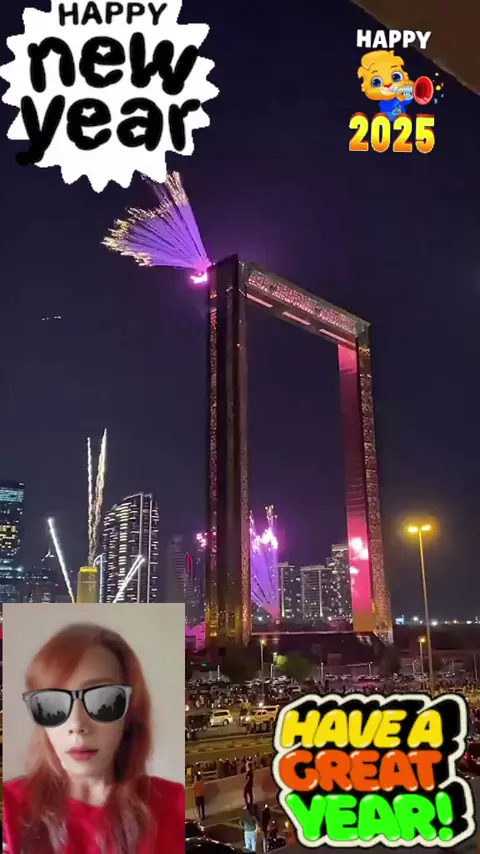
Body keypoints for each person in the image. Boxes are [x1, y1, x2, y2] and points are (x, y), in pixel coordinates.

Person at [3, 622, 184, 854]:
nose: (77, 725)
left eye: (103, 701)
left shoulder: (173, 805)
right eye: (52, 704)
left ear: (129, 714)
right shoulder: (10, 810)